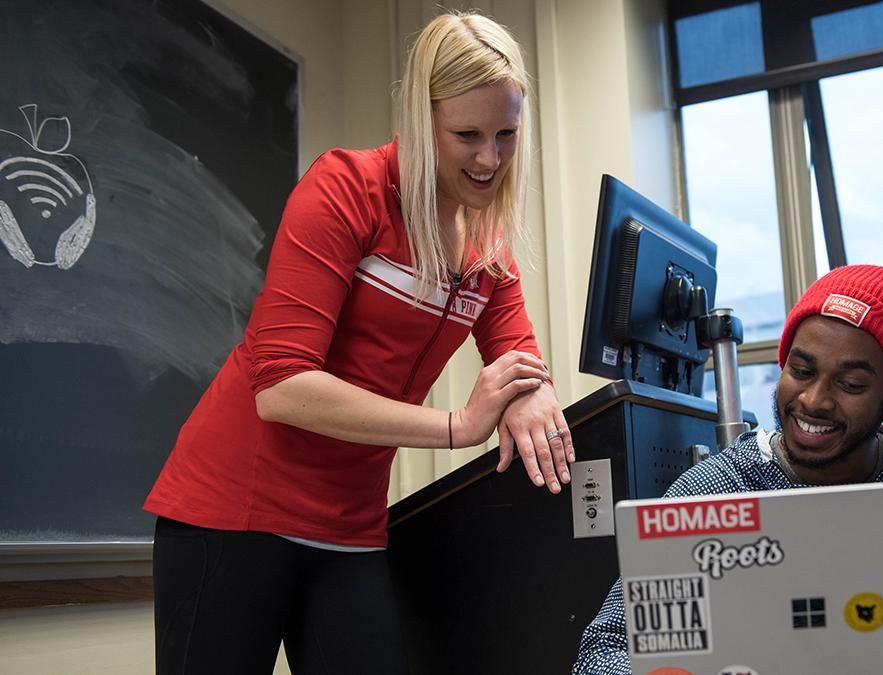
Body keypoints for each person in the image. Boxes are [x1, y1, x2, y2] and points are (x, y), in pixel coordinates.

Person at [144, 11, 572, 674]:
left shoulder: (490, 249)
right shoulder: (347, 191)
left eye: (506, 135)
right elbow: (281, 386)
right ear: (422, 120)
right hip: (232, 510)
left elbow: (521, 366)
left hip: (348, 528)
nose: (490, 159)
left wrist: (531, 396)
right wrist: (460, 424)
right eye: (468, 135)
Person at [573, 264, 883, 674]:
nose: (813, 400)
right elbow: (602, 652)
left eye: (850, 383)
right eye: (800, 371)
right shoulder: (712, 493)